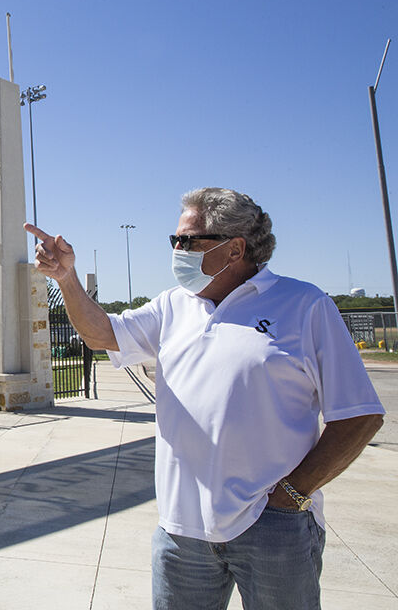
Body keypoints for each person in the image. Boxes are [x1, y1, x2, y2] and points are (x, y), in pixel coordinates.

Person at [26, 187, 385, 610]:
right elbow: (101, 333)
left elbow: (360, 416)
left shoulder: (304, 305)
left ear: (235, 248)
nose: (177, 250)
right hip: (182, 533)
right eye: (174, 240)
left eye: (189, 240)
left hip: (273, 527)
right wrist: (66, 278)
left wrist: (292, 495)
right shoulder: (172, 306)